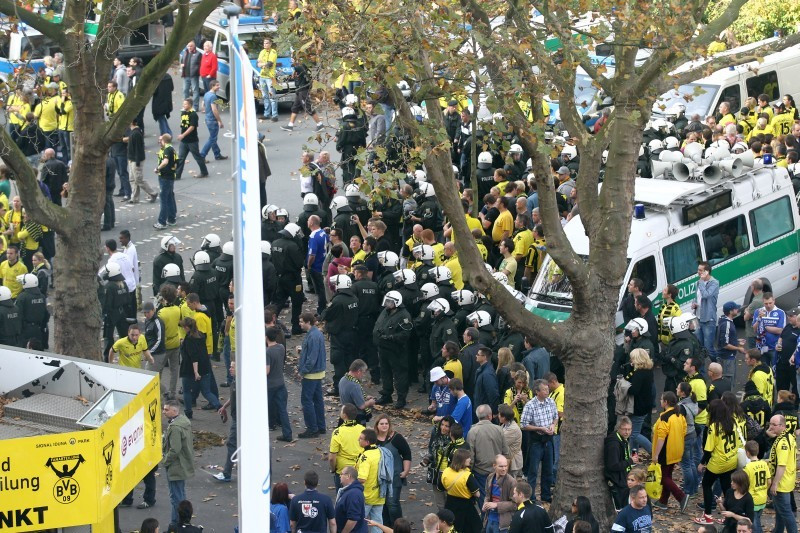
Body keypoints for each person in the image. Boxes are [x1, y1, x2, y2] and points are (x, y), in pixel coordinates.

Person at [695, 399, 740, 525]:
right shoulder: (732, 421)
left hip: (718, 462)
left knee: (706, 484)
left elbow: (708, 450)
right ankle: (729, 516)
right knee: (727, 488)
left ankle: (708, 515)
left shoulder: (714, 427)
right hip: (731, 459)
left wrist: (702, 463)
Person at [520, 379, 558, 503]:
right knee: (533, 472)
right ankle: (531, 498)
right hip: (536, 441)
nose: (547, 391)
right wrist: (539, 428)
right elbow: (524, 425)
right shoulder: (530, 405)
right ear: (537, 391)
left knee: (548, 470)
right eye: (545, 389)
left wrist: (553, 425)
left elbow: (555, 417)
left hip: (549, 440)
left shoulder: (551, 402)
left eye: (548, 389)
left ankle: (546, 496)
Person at [374, 291, 414, 408]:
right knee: (385, 372)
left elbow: (405, 334)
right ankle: (387, 395)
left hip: (396, 350)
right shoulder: (385, 312)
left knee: (399, 374)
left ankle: (401, 398)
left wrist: (391, 337)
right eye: (386, 301)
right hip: (383, 348)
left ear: (397, 303)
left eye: (390, 302)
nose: (387, 304)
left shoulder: (404, 316)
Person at [651, 391, 689, 512]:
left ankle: (681, 497)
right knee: (668, 475)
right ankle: (663, 501)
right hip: (676, 450)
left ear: (666, 402)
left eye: (661, 400)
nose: (660, 401)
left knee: (663, 478)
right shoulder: (679, 415)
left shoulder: (665, 417)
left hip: (666, 452)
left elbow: (661, 438)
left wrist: (656, 454)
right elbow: (684, 431)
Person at [179, 317, 221, 419]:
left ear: (187, 327)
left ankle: (188, 412)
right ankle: (219, 407)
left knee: (187, 391)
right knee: (206, 392)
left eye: (184, 327)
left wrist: (196, 372)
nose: (183, 329)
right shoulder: (201, 335)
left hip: (190, 369)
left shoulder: (189, 340)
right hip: (205, 367)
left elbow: (194, 357)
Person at [467, 404, 508, 507]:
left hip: (481, 472)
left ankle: (485, 520)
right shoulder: (499, 429)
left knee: (484, 500)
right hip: (498, 471)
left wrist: (469, 471)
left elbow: (470, 456)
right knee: (498, 498)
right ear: (490, 416)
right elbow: (506, 452)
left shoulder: (472, 432)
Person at [162, 400, 194, 530]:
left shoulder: (175, 428)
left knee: (176, 498)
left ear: (174, 411)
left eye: (166, 410)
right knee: (180, 494)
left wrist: (165, 461)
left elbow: (175, 449)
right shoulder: (184, 422)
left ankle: (176, 524)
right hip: (183, 464)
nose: (163, 412)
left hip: (176, 466)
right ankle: (182, 521)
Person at [375, 414, 412, 526]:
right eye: (382, 424)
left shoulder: (396, 438)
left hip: (394, 477)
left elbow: (407, 454)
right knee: (382, 504)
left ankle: (399, 528)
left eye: (386, 423)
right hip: (378, 478)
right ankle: (386, 527)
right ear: (377, 425)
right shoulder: (372, 438)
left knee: (392, 504)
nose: (384, 426)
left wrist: (406, 471)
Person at [297, 312, 327, 438]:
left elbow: (311, 358)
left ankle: (312, 428)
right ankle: (320, 426)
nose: (300, 324)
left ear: (308, 322)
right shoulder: (316, 334)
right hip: (318, 372)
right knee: (318, 400)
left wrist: (302, 371)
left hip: (311, 374)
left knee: (307, 400)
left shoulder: (312, 336)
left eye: (302, 322)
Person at [766, 414, 797, 533]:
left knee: (786, 512)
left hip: (782, 483)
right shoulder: (788, 436)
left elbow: (781, 465)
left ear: (782, 426)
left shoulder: (782, 443)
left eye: (774, 425)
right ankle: (777, 530)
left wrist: (775, 484)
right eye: (770, 424)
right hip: (787, 479)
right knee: (779, 510)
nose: (771, 427)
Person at [440, 448, 481, 533]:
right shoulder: (467, 476)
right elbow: (477, 494)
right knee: (472, 528)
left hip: (450, 503)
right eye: (468, 457)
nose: (470, 459)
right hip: (465, 506)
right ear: (462, 460)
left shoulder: (446, 471)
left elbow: (441, 487)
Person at [604, 416, 638, 511]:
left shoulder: (624, 439)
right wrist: (630, 461)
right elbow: (613, 466)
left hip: (623, 477)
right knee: (621, 508)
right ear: (619, 429)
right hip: (616, 480)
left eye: (629, 429)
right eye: (624, 429)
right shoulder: (613, 444)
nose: (627, 432)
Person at [355, 428, 385, 533]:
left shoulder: (366, 456)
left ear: (367, 442)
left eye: (361, 438)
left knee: (358, 523)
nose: (359, 439)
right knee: (377, 524)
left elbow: (362, 478)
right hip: (380, 494)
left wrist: (352, 483)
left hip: (366, 496)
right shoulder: (380, 451)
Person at [329, 404, 366, 489]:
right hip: (359, 468)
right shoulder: (362, 429)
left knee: (342, 497)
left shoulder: (337, 432)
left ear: (344, 415)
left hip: (343, 469)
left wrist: (333, 468)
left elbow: (332, 457)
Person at [266, 326, 292, 442]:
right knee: (282, 409)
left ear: (266, 337)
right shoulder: (281, 347)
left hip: (270, 384)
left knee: (269, 406)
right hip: (280, 382)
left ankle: (271, 425)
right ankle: (287, 433)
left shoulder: (267, 352)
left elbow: (266, 371)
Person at [213, 361, 237, 482]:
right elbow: (233, 397)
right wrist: (224, 407)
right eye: (230, 366)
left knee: (232, 444)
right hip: (236, 418)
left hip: (238, 420)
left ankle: (227, 473)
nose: (230, 369)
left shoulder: (240, 383)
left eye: (233, 367)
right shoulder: (235, 382)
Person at [124, 118, 157, 204]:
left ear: (131, 122)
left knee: (138, 179)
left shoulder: (136, 133)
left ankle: (152, 193)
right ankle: (134, 198)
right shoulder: (134, 132)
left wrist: (137, 162)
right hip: (131, 159)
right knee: (132, 179)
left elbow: (139, 149)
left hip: (136, 160)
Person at [175, 99, 209, 180]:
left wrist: (182, 135)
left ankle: (204, 172)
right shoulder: (183, 113)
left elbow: (192, 127)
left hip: (192, 141)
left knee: (197, 157)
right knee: (180, 158)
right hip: (184, 141)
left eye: (186, 104)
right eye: (183, 104)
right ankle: (177, 175)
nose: (184, 105)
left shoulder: (193, 115)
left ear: (190, 105)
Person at [481, 454, 517, 533]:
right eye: (501, 466)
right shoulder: (490, 477)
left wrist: (497, 505)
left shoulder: (511, 481)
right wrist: (485, 503)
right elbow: (487, 495)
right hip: (489, 519)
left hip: (503, 523)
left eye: (506, 466)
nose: (504, 469)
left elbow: (515, 504)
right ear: (494, 466)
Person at [692, 261, 719, 361]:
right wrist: (694, 304)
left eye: (700, 270)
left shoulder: (714, 283)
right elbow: (697, 297)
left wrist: (702, 282)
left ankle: (717, 365)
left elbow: (706, 295)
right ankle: (701, 372)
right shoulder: (698, 282)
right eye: (698, 270)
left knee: (708, 348)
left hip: (708, 319)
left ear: (706, 272)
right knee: (699, 347)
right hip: (698, 318)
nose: (698, 272)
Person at [742, 440, 769, 533]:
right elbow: (769, 481)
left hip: (752, 500)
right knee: (757, 519)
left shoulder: (747, 468)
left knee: (754, 524)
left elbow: (744, 484)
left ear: (747, 453)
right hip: (762, 497)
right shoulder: (764, 464)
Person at [752, 292, 785, 367]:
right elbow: (754, 329)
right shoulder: (758, 311)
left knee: (775, 371)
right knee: (763, 370)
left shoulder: (780, 312)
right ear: (763, 302)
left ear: (774, 301)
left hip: (774, 347)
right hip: (761, 347)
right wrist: (759, 319)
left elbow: (780, 330)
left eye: (770, 303)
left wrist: (765, 327)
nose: (768, 305)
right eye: (766, 303)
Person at [153, 134, 178, 230]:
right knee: (169, 197)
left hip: (165, 177)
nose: (159, 142)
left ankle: (162, 222)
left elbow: (165, 162)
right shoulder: (171, 149)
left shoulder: (167, 149)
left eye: (160, 140)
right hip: (170, 176)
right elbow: (176, 163)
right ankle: (172, 219)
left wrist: (157, 168)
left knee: (164, 199)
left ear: (164, 140)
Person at [339, 359, 375, 425]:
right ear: (359, 371)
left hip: (345, 413)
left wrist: (365, 397)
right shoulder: (355, 385)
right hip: (356, 417)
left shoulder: (343, 379)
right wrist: (370, 402)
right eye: (363, 372)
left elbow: (350, 395)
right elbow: (361, 406)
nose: (363, 375)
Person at [200, 80, 228, 162]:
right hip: (212, 120)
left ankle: (217, 154)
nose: (219, 87)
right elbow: (214, 110)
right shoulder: (213, 96)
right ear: (212, 86)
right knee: (212, 139)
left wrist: (226, 104)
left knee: (213, 138)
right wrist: (220, 121)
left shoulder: (207, 94)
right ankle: (202, 155)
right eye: (217, 85)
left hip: (208, 119)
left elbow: (203, 105)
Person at [335, 466, 367, 533]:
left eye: (342, 474)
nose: (340, 476)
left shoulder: (354, 494)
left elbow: (353, 519)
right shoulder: (348, 491)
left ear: (348, 476)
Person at [498, 404, 523, 478]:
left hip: (513, 462)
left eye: (499, 414)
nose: (498, 416)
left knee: (510, 485)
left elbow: (500, 442)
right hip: (507, 460)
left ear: (504, 417)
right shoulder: (505, 425)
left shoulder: (513, 429)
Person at [257, 37, 279, 121]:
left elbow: (270, 64)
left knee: (272, 96)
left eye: (266, 43)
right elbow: (257, 64)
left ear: (270, 44)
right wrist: (262, 64)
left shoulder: (273, 52)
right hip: (262, 77)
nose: (265, 44)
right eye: (264, 43)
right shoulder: (262, 52)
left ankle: (274, 115)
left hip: (270, 77)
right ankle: (266, 114)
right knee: (265, 96)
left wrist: (262, 64)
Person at [180, 41, 201, 110]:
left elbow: (200, 64)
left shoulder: (198, 54)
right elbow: (182, 61)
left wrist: (196, 70)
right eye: (188, 46)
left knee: (195, 91)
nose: (189, 47)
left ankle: (195, 106)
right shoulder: (185, 52)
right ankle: (186, 106)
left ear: (194, 46)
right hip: (186, 75)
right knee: (185, 90)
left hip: (194, 76)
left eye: (191, 46)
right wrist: (181, 64)